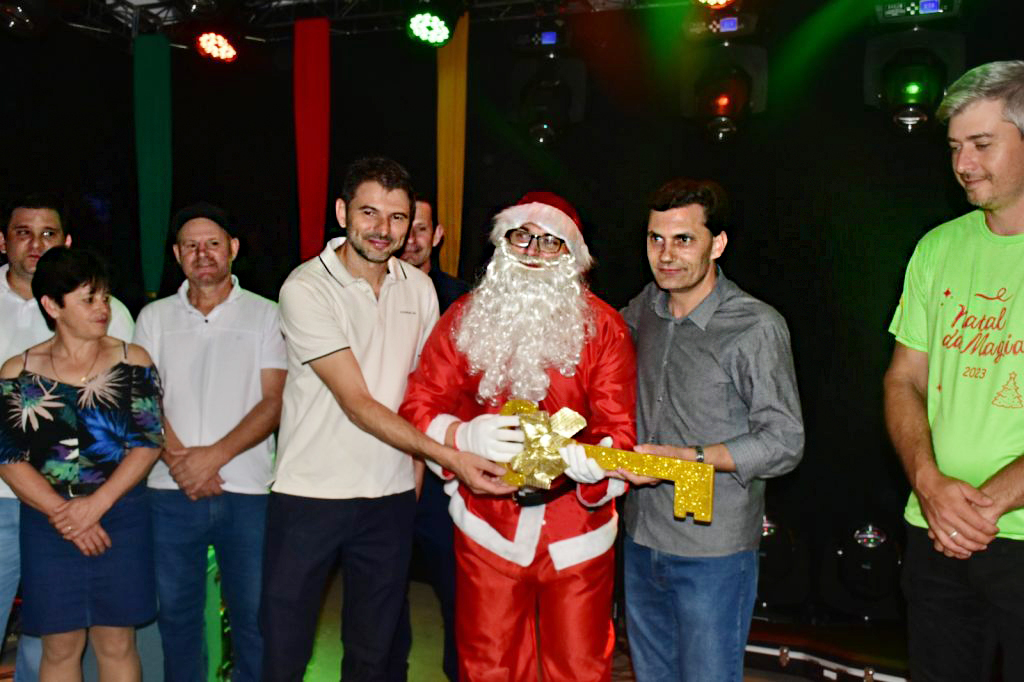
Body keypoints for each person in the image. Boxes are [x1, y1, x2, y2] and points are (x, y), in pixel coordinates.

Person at [259, 157, 511, 681]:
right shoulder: (305, 288)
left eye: (397, 218)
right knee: (285, 647)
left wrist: (414, 477)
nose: (383, 229)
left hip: (389, 499)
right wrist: (448, 457)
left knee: (375, 653)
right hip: (310, 495)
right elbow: (358, 401)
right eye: (369, 213)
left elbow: (422, 393)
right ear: (341, 212)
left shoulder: (418, 290)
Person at [400, 191, 637, 681]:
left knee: (578, 666)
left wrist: (599, 461)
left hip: (577, 534)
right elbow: (419, 403)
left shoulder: (606, 329)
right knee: (487, 664)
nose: (532, 251)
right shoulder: (464, 318)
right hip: (487, 525)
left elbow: (619, 429)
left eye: (550, 242)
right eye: (522, 236)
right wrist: (465, 435)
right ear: (502, 244)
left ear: (571, 256)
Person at [619, 179, 803, 682]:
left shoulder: (755, 325)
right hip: (641, 537)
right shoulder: (646, 309)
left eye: (684, 240)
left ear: (717, 244)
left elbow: (785, 441)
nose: (666, 255)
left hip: (713, 553)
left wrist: (692, 460)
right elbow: (593, 348)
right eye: (656, 239)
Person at [884, 60, 1024, 681]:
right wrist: (929, 485)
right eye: (955, 147)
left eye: (983, 144)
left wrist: (982, 507)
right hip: (934, 531)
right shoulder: (937, 248)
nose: (964, 163)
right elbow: (903, 379)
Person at [133, 203, 286, 682]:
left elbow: (274, 400)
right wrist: (180, 463)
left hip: (248, 491)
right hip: (167, 490)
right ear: (178, 254)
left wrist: (211, 459)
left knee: (255, 619)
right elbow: (145, 400)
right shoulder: (154, 317)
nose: (203, 254)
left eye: (213, 243)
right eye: (192, 245)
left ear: (233, 249)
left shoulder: (268, 314)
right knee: (176, 619)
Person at [0, 247, 163, 681]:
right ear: (52, 306)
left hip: (120, 518)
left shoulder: (134, 361)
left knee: (116, 641)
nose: (103, 308)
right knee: (60, 644)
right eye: (88, 298)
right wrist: (65, 514)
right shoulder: (18, 372)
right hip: (49, 525)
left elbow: (148, 444)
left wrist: (96, 506)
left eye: (105, 297)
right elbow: (9, 458)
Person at [394, 198, 470, 680]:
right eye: (404, 227)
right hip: (384, 468)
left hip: (445, 476)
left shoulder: (465, 302)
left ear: (437, 235)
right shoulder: (370, 295)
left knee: (458, 598)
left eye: (420, 228)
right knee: (382, 598)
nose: (410, 239)